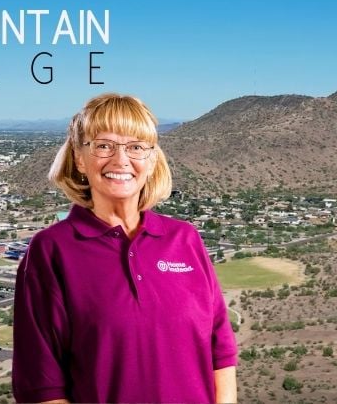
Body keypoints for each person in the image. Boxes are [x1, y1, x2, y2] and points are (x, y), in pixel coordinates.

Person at [12, 93, 237, 403]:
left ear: (152, 158)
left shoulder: (185, 239)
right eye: (104, 145)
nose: (121, 160)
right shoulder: (51, 251)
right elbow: (41, 386)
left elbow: (221, 352)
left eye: (135, 147)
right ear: (79, 158)